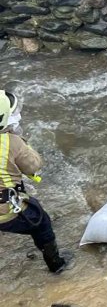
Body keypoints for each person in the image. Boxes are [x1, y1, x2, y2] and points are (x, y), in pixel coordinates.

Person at [0, 89, 70, 273]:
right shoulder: (11, 142)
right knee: (41, 222)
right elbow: (33, 167)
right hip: (4, 210)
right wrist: (22, 141)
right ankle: (56, 265)